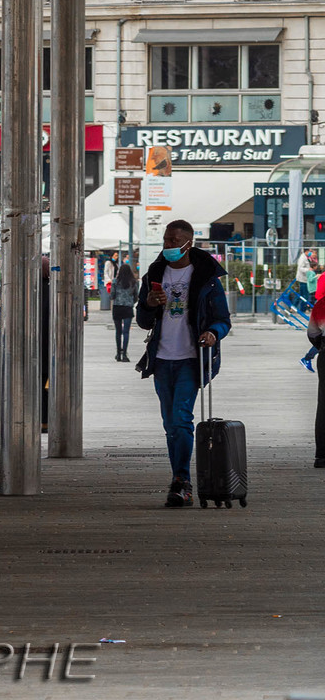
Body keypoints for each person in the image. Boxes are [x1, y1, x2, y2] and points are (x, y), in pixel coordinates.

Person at [136, 217, 231, 506]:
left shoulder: (206, 278)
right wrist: (150, 304)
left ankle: (182, 480)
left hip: (191, 358)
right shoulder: (154, 273)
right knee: (170, 423)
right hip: (162, 360)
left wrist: (213, 333)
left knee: (180, 419)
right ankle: (180, 478)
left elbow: (223, 321)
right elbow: (142, 320)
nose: (167, 246)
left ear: (187, 243)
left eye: (173, 241)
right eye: (166, 240)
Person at [110, 255, 139, 361]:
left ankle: (118, 353)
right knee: (126, 332)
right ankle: (125, 355)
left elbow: (112, 295)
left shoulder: (115, 282)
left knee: (118, 332)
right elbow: (136, 296)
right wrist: (131, 301)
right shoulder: (133, 282)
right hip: (128, 308)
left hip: (117, 308)